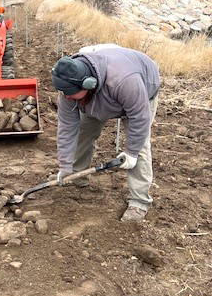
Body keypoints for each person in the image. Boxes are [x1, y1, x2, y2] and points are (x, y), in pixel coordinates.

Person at [51, 45, 160, 222]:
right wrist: (65, 167)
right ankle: (75, 174)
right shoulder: (68, 91)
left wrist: (131, 153)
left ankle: (139, 202)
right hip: (97, 99)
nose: (67, 98)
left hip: (141, 92)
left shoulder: (124, 80)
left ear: (88, 83)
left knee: (139, 146)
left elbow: (140, 118)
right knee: (82, 132)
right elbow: (67, 127)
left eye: (71, 94)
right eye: (64, 94)